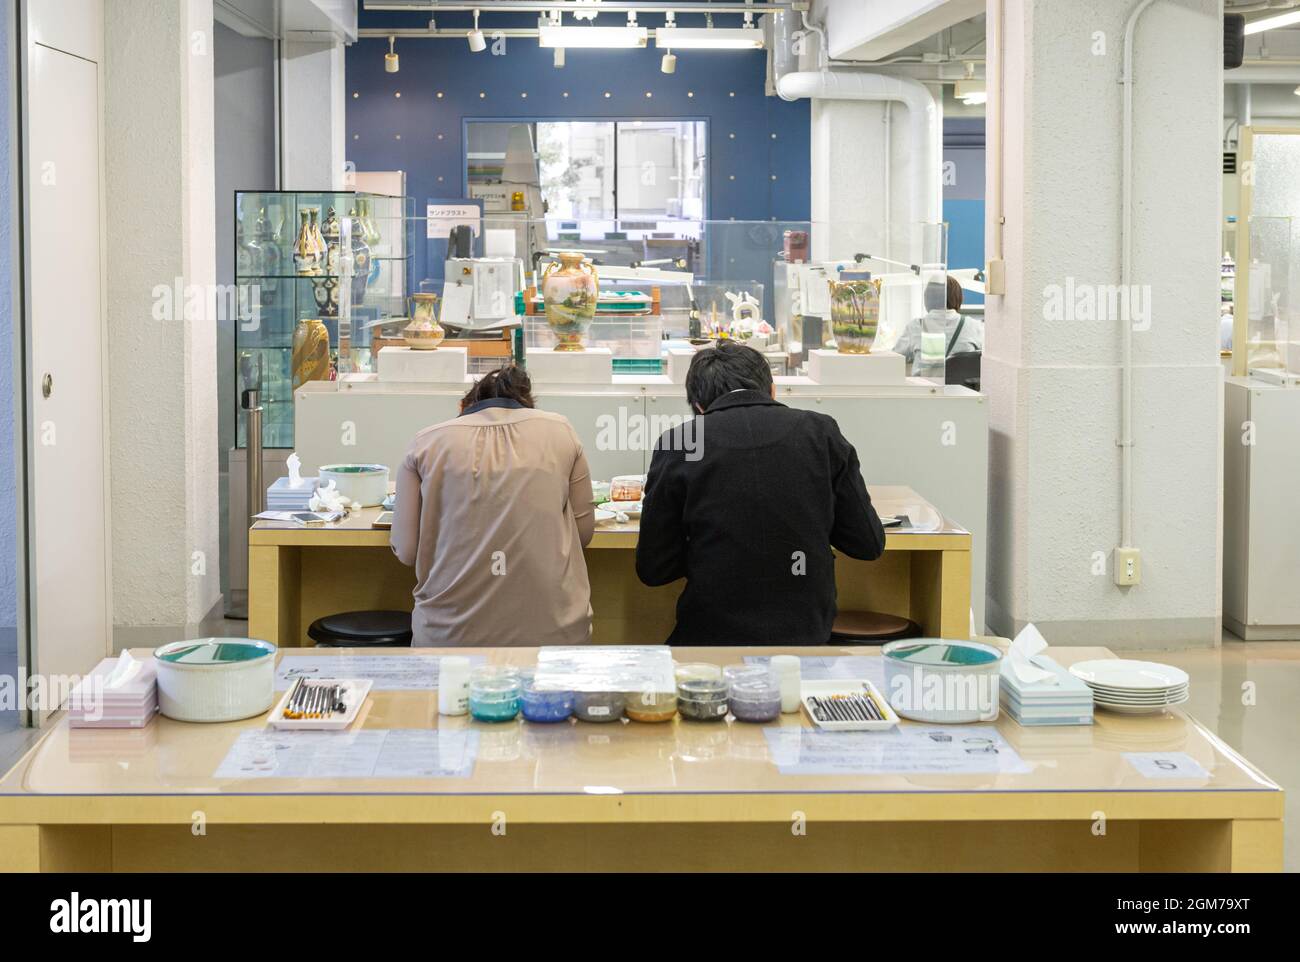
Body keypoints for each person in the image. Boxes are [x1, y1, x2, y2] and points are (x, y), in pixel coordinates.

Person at [635, 342, 886, 646]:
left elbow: (653, 568)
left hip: (709, 637)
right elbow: (868, 543)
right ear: (772, 390)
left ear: (698, 406)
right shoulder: (820, 432)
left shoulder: (682, 442)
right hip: (808, 636)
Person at [391, 365, 595, 646]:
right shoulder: (561, 431)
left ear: (463, 406)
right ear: (529, 405)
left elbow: (406, 551)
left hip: (449, 637)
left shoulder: (426, 442)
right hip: (555, 635)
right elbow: (583, 535)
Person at [890, 275, 983, 364]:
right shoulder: (974, 326)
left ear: (927, 299)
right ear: (958, 298)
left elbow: (893, 360)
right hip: (959, 380)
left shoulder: (915, 326)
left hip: (924, 380)